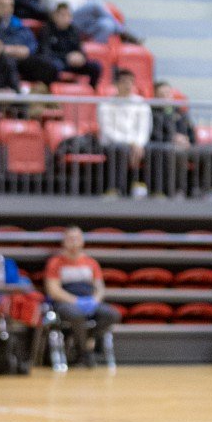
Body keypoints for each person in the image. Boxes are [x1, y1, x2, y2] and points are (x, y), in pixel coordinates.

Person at [44, 226, 119, 366]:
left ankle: (87, 339)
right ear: (64, 242)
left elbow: (100, 288)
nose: (73, 242)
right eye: (70, 239)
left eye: (76, 238)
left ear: (82, 241)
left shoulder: (91, 262)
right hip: (65, 301)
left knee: (112, 314)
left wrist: (94, 300)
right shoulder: (55, 263)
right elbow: (53, 290)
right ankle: (84, 352)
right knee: (75, 314)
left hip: (89, 299)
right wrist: (75, 301)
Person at [97, 69, 152, 196]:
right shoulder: (105, 104)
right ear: (116, 84)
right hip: (112, 143)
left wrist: (138, 144)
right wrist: (131, 143)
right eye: (124, 82)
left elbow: (144, 128)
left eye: (131, 82)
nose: (128, 85)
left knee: (156, 150)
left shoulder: (141, 103)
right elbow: (108, 131)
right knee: (119, 150)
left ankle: (153, 190)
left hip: (137, 144)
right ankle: (116, 189)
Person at [29, 1, 100, 87]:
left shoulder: (73, 30)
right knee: (53, 66)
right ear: (55, 16)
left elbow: (80, 50)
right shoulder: (47, 30)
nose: (66, 18)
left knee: (96, 66)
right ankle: (53, 92)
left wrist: (81, 57)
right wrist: (66, 58)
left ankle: (92, 92)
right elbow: (45, 53)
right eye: (63, 15)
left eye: (68, 15)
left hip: (72, 63)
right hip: (56, 62)